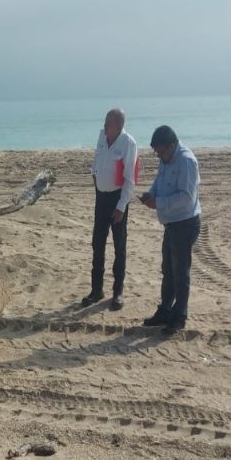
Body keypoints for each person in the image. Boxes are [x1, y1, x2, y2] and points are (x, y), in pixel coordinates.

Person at [139, 125, 201, 335]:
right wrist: (151, 194)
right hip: (171, 223)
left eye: (161, 152)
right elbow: (159, 181)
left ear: (172, 145)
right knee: (168, 269)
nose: (159, 156)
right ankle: (165, 310)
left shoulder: (186, 161)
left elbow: (186, 197)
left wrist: (159, 202)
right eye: (156, 153)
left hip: (185, 223)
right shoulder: (166, 158)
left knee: (180, 272)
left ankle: (179, 317)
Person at [81, 108, 138, 310]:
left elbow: (130, 180)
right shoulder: (102, 135)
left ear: (119, 126)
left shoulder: (128, 144)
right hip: (101, 197)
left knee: (119, 246)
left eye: (108, 123)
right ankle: (96, 290)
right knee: (97, 244)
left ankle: (118, 292)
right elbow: (97, 159)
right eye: (105, 122)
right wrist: (94, 176)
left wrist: (121, 207)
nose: (104, 126)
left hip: (117, 198)